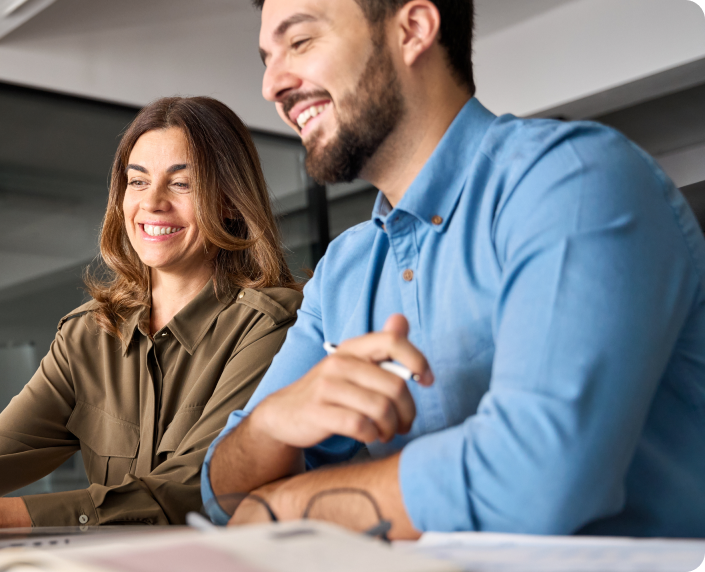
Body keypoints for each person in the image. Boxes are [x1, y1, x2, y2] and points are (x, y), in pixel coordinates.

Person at [202, 0, 705, 539]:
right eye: (266, 58)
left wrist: (291, 506)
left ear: (413, 30)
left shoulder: (573, 179)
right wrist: (272, 424)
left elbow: (535, 479)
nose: (271, 86)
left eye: (299, 42)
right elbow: (220, 496)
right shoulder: (343, 270)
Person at [0, 96, 303, 529]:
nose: (153, 202)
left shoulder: (272, 325)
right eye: (138, 181)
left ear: (229, 201)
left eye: (182, 184)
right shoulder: (88, 333)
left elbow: (196, 484)